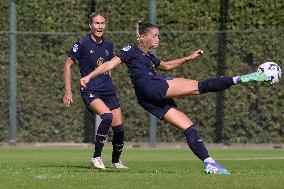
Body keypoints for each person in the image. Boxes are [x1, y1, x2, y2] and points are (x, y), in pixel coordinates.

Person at [80, 21, 271, 174]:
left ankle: (210, 163)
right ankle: (246, 77)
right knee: (199, 87)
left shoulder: (148, 56)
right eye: (154, 35)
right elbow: (110, 65)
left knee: (188, 126)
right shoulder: (131, 49)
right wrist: (89, 76)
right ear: (143, 37)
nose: (158, 39)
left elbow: (166, 65)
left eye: (158, 36)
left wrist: (187, 58)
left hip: (147, 99)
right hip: (152, 86)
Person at [63, 11, 128, 170]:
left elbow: (109, 65)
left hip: (107, 90)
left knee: (119, 128)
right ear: (90, 25)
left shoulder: (108, 44)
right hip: (90, 90)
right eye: (96, 23)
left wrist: (108, 80)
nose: (100, 26)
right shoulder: (82, 43)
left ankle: (115, 161)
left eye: (102, 23)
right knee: (107, 116)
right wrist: (68, 91)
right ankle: (96, 157)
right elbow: (67, 65)